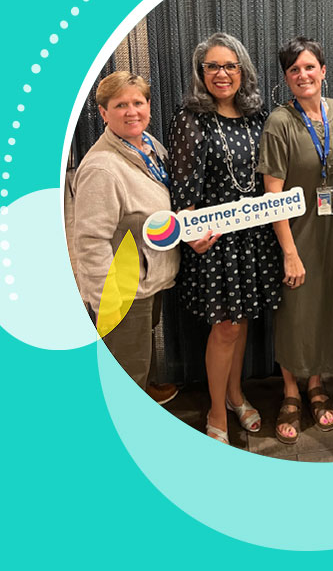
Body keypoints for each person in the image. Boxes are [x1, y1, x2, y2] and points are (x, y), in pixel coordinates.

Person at [166, 33, 283, 445]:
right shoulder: (190, 118)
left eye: (230, 66)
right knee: (226, 328)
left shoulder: (256, 115)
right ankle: (216, 410)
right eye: (212, 66)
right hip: (215, 243)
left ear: (242, 71)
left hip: (253, 237)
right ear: (201, 73)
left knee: (242, 320)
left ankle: (235, 395)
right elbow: (182, 188)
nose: (222, 74)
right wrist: (189, 233)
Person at [257, 36, 333, 444]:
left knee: (326, 308)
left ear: (323, 71)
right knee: (295, 313)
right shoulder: (279, 122)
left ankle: (316, 384)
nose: (303, 74)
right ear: (286, 78)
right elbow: (272, 195)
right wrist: (289, 253)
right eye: (294, 69)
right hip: (296, 234)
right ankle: (291, 391)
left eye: (310, 66)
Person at [73, 71, 181, 406]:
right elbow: (90, 241)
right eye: (120, 105)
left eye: (138, 102)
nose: (132, 111)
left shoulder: (149, 145)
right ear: (103, 113)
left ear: (149, 106)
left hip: (149, 273)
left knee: (141, 344)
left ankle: (144, 387)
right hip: (122, 288)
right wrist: (109, 301)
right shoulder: (102, 167)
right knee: (125, 362)